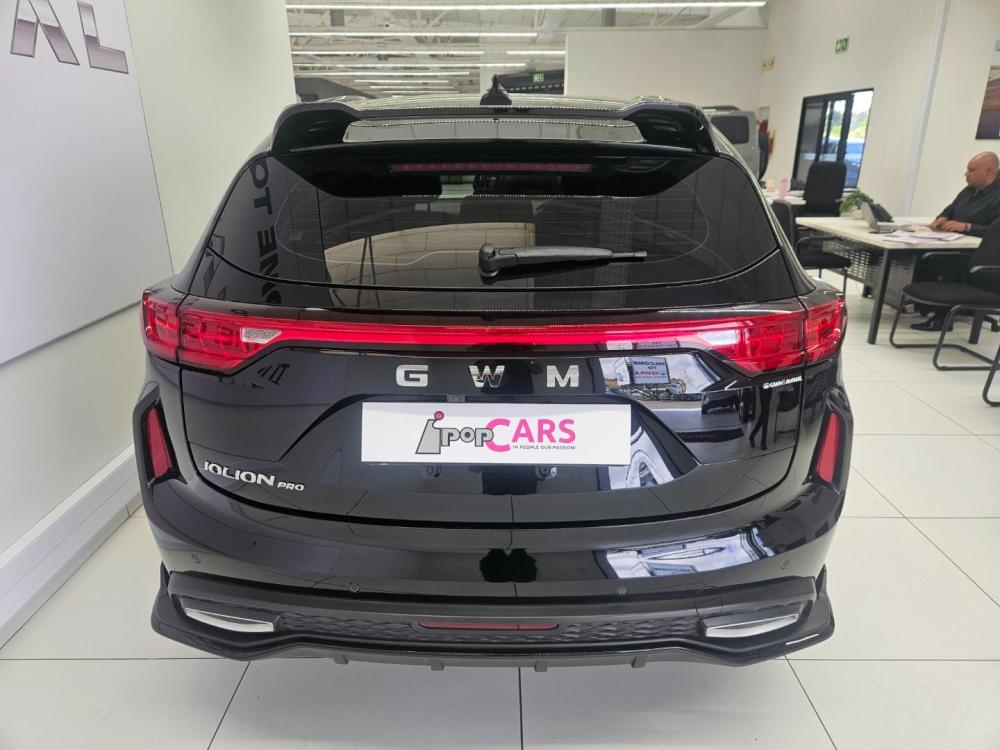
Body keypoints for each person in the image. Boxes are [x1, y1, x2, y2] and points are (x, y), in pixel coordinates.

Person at [911, 151, 1000, 331]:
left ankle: (942, 318)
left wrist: (967, 227)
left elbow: (995, 231)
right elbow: (951, 208)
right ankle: (926, 306)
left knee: (943, 262)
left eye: (972, 170)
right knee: (918, 256)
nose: (966, 174)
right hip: (953, 242)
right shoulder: (970, 190)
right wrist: (942, 218)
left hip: (980, 254)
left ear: (990, 171)